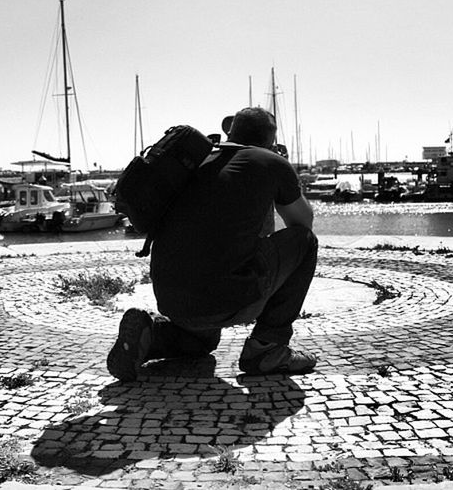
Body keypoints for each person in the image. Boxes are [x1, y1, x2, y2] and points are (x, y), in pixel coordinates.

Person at [107, 107, 318, 381]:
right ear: (271, 140)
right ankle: (267, 347)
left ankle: (151, 335)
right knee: (305, 243)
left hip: (171, 297)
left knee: (203, 343)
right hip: (224, 298)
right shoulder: (270, 162)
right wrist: (281, 176)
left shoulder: (196, 161)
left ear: (231, 132)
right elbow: (302, 223)